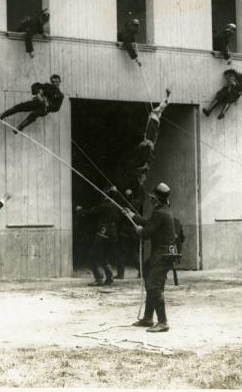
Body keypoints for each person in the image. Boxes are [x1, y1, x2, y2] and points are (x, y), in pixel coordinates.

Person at [123, 183, 176, 332]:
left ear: (156, 199)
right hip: (163, 254)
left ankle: (163, 322)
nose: (151, 200)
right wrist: (132, 216)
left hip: (162, 255)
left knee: (153, 285)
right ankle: (147, 318)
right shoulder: (163, 210)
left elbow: (145, 233)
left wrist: (138, 230)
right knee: (150, 279)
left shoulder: (160, 213)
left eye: (152, 198)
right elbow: (149, 222)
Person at [77, 187, 122, 286]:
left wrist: (80, 210)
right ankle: (109, 277)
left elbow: (91, 213)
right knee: (103, 255)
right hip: (113, 233)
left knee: (93, 254)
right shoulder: (115, 205)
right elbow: (117, 218)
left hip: (103, 232)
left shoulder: (103, 205)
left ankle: (99, 278)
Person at [0, 74, 64, 133]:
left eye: (56, 81)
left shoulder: (60, 95)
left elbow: (56, 108)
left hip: (44, 108)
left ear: (60, 81)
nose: (55, 83)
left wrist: (49, 105)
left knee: (34, 114)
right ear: (51, 82)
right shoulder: (47, 86)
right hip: (36, 102)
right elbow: (35, 86)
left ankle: (19, 128)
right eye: (53, 82)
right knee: (20, 106)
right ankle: (3, 115)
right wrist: (38, 93)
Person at [136, 89, 171, 170]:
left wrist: (154, 111)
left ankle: (145, 163)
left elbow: (162, 106)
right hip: (152, 127)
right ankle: (146, 163)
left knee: (147, 146)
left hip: (153, 125)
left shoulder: (157, 113)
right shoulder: (156, 114)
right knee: (148, 146)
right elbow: (161, 107)